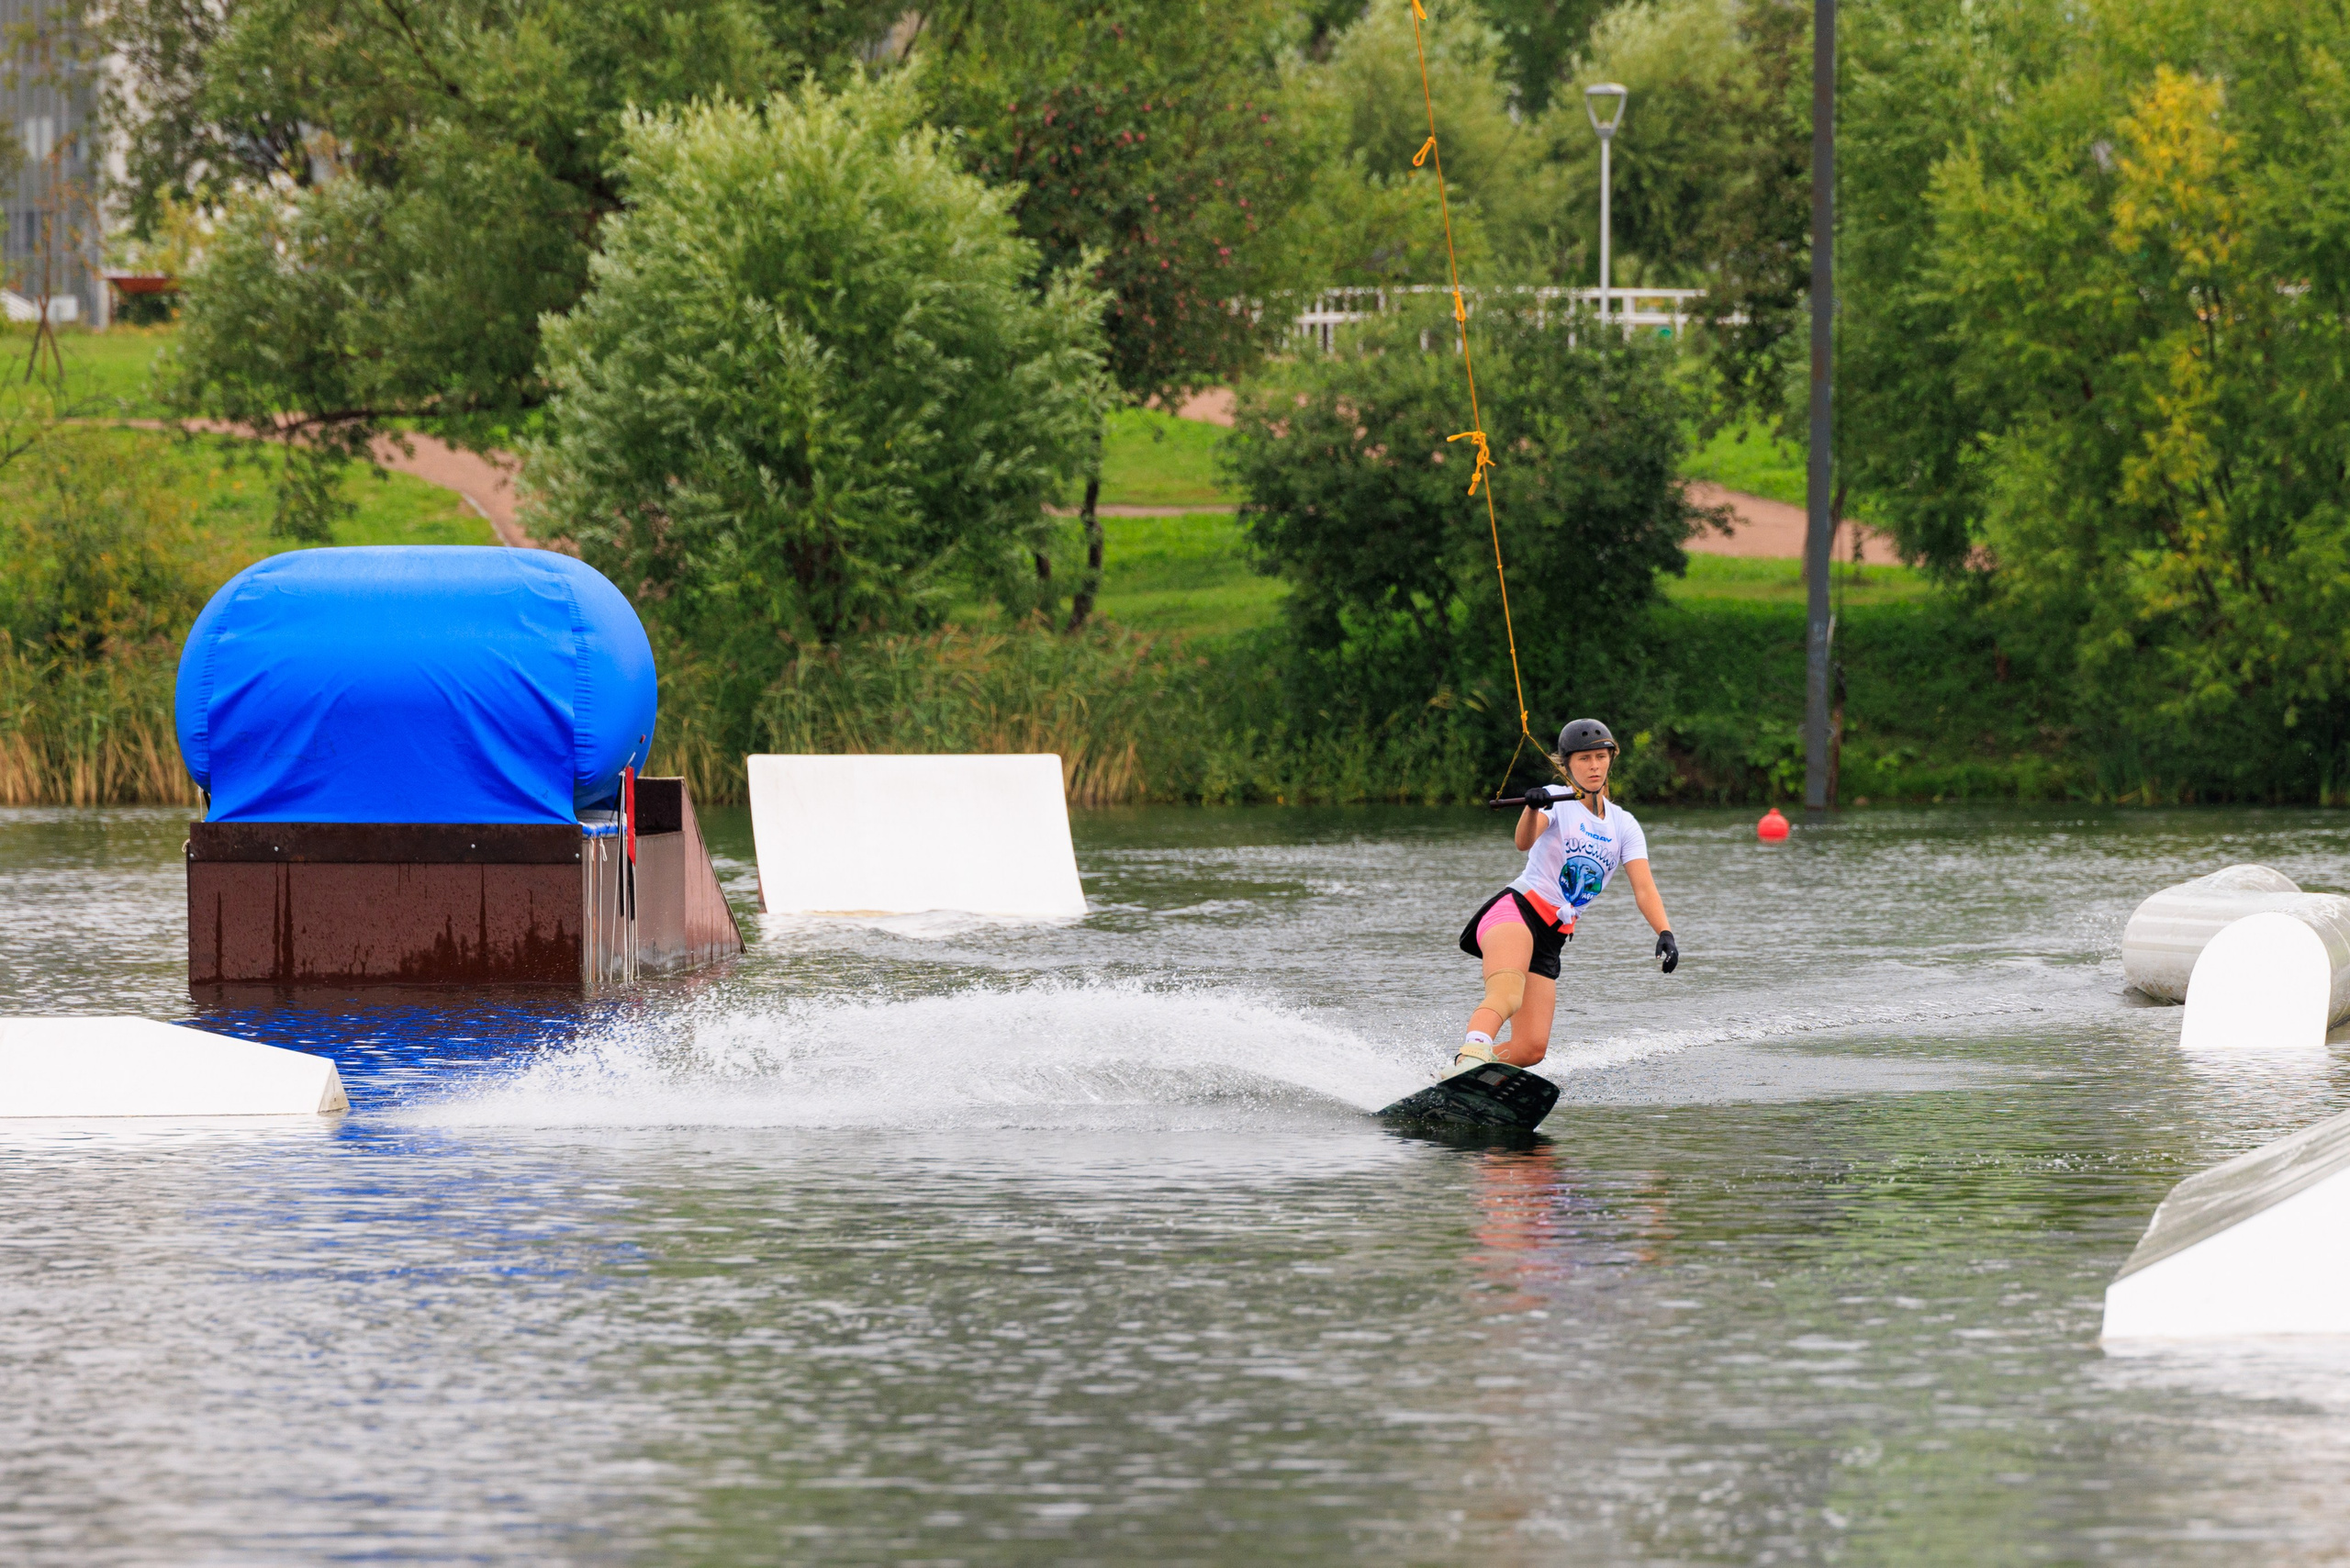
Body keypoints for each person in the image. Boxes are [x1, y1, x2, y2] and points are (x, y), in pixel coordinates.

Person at [1450, 718, 1678, 1076]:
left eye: (1601, 757)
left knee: (1530, 1048)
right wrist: (1532, 808)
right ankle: (1471, 1057)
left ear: (1610, 760)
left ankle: (1466, 1074)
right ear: (1567, 764)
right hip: (1517, 912)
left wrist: (1664, 932)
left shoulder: (1624, 825)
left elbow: (1645, 888)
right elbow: (1523, 842)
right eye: (1584, 759)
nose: (1594, 766)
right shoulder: (1555, 801)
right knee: (1508, 993)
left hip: (1552, 935)